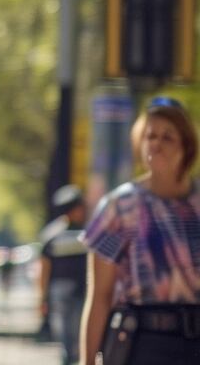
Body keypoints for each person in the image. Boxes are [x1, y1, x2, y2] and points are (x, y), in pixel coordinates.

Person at [80, 97, 200, 364]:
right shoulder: (120, 207)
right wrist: (90, 361)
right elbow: (100, 297)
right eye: (150, 136)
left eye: (167, 137)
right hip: (143, 344)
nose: (156, 144)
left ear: (187, 145)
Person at [38, 184, 88, 364]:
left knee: (71, 336)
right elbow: (44, 268)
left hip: (74, 291)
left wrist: (43, 298)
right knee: (72, 336)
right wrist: (43, 298)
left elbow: (43, 268)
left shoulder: (50, 234)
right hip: (67, 293)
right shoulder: (87, 233)